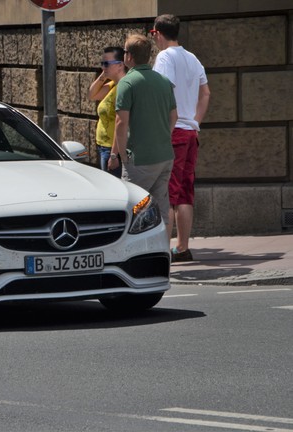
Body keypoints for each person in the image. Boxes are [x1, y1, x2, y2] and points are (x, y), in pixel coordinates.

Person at [151, 14, 211, 262]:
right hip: (189, 133)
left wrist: (164, 129)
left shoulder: (164, 57)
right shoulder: (192, 57)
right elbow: (206, 93)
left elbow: (164, 94)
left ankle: (163, 250)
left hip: (172, 131)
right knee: (185, 192)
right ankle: (182, 247)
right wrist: (195, 122)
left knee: (167, 194)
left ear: (156, 33)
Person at [108, 34, 177, 237]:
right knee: (161, 207)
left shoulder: (127, 84)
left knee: (132, 210)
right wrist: (163, 136)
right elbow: (174, 116)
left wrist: (121, 155)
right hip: (164, 155)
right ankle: (163, 254)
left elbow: (121, 123)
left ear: (129, 56)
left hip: (140, 159)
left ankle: (135, 257)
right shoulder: (164, 81)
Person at [87, 46, 127, 177]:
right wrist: (103, 75)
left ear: (120, 65)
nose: (103, 67)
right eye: (102, 64)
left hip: (112, 149)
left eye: (106, 64)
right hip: (103, 146)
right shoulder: (112, 85)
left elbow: (120, 122)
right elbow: (92, 95)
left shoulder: (123, 87)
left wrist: (114, 154)